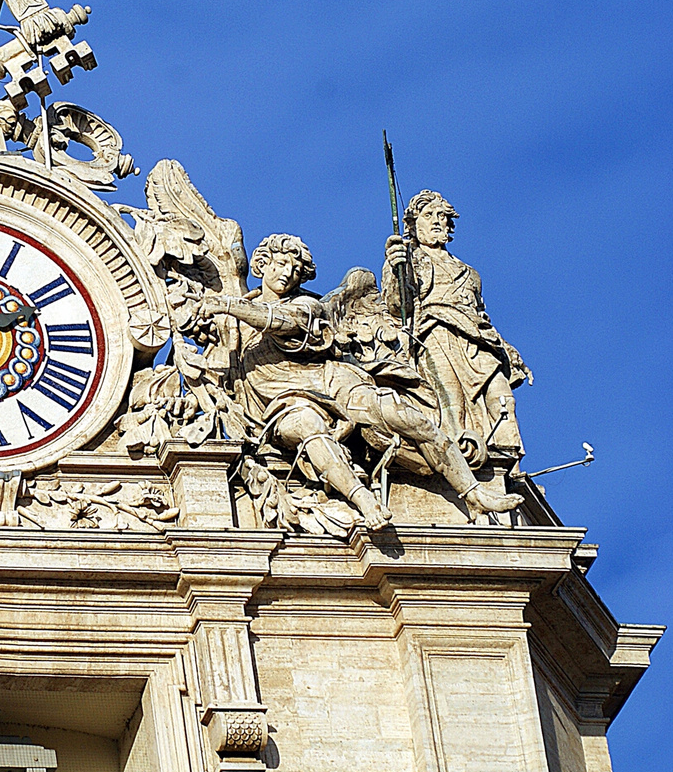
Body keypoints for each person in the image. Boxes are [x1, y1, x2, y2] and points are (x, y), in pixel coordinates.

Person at [196, 234, 523, 528]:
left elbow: (286, 322)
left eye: (296, 270)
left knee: (401, 415)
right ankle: (365, 503)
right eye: (281, 264)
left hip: (329, 381)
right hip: (281, 401)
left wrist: (226, 305)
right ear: (263, 264)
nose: (287, 274)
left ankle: (473, 490)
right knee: (308, 426)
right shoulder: (235, 323)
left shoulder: (305, 305)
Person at [383, 190, 527, 466]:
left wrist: (507, 350)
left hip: (477, 341)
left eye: (442, 217)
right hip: (435, 334)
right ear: (412, 226)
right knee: (451, 403)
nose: (437, 222)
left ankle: (510, 469)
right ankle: (461, 462)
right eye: (428, 216)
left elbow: (480, 314)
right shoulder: (407, 260)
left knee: (503, 399)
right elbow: (396, 305)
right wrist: (396, 266)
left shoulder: (469, 272)